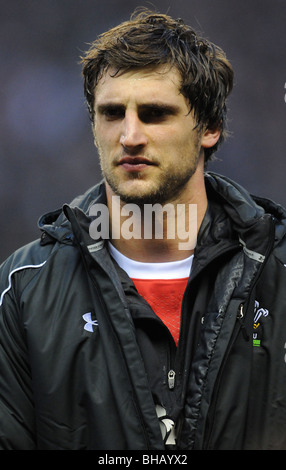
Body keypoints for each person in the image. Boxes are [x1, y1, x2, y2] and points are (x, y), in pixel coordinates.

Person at [0, 9, 286, 451]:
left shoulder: (280, 273)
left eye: (154, 113)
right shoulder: (22, 291)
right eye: (112, 113)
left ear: (209, 127)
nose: (130, 135)